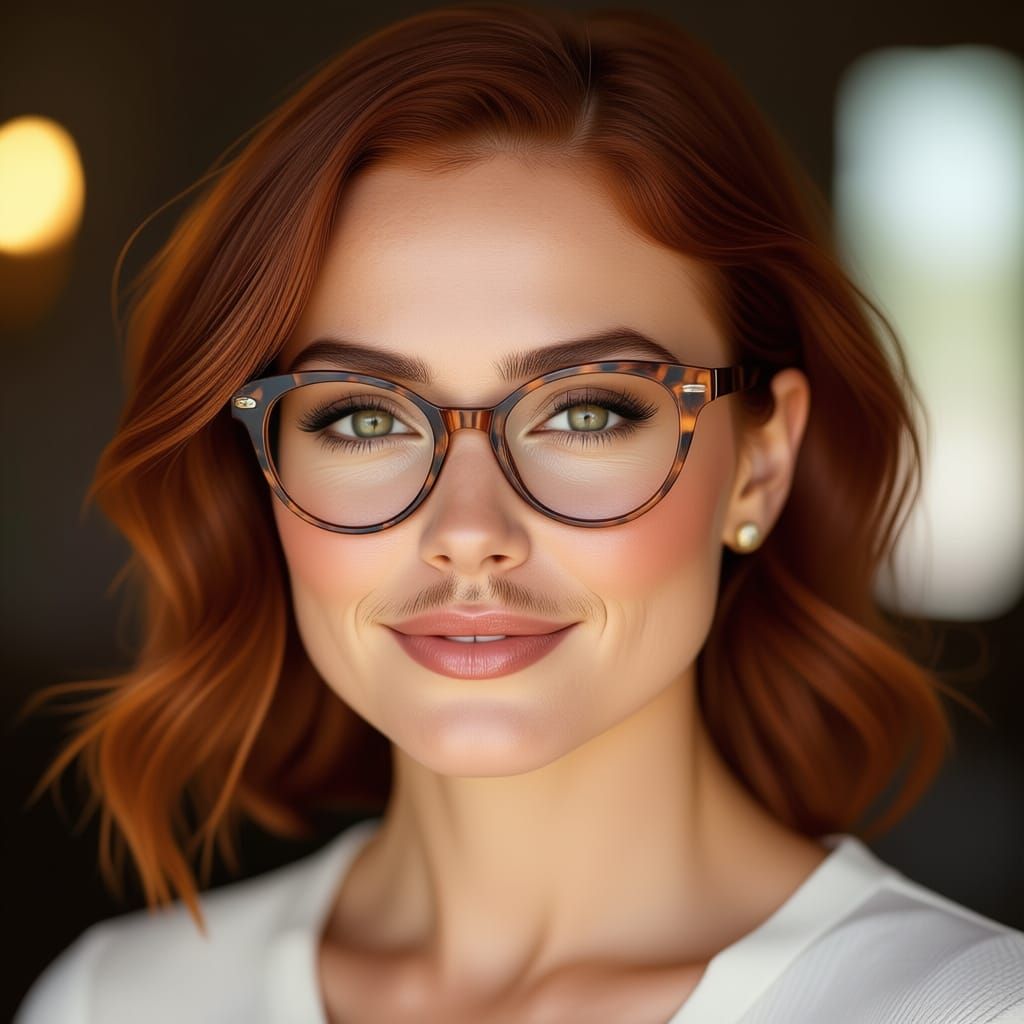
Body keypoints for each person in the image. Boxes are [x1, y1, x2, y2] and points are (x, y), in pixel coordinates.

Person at [14, 3, 1024, 1022]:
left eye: (585, 411)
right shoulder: (115, 1001)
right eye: (363, 418)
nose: (467, 529)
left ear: (760, 463)